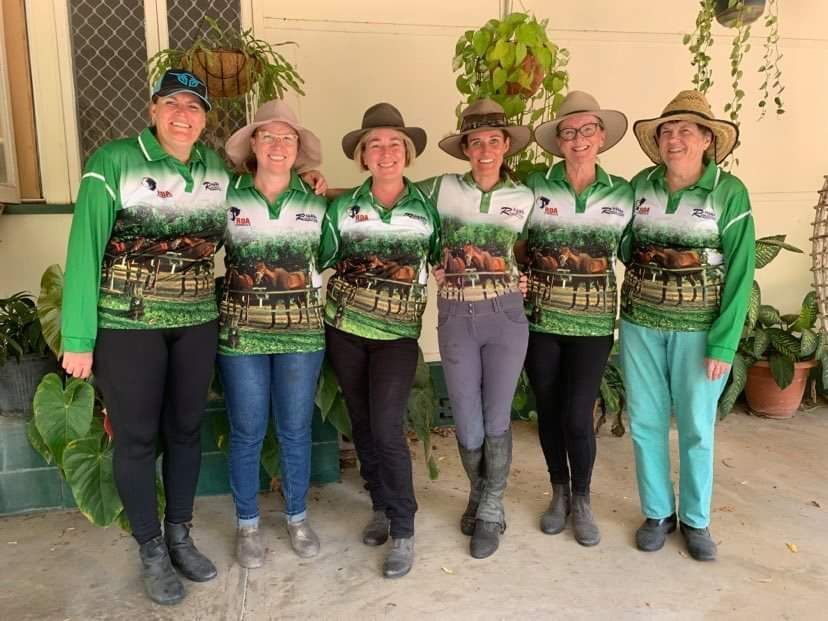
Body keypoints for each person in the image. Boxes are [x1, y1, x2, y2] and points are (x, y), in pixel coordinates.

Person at [61, 70, 229, 605]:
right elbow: (85, 248)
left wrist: (310, 180)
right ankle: (151, 548)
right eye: (172, 103)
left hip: (195, 321)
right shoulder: (114, 161)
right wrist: (77, 337)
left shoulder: (215, 170)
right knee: (135, 438)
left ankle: (179, 533)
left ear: (205, 118)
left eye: (195, 106)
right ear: (153, 109)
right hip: (127, 325)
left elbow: (246, 218)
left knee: (185, 431)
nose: (183, 114)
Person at [619, 90, 755, 561]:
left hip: (700, 332)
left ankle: (696, 520)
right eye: (666, 131)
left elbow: (741, 270)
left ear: (706, 139)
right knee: (645, 421)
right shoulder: (640, 185)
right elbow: (624, 245)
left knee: (697, 426)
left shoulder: (729, 192)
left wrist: (724, 344)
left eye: (684, 131)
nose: (674, 139)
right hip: (639, 324)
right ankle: (658, 512)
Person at [318, 103, 440, 579]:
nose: (385, 152)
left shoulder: (427, 209)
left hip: (396, 336)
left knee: (388, 426)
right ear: (363, 157)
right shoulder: (343, 208)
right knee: (363, 422)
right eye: (375, 145)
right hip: (345, 329)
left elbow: (441, 260)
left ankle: (404, 527)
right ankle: (380, 506)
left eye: (394, 144)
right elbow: (322, 256)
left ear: (406, 153)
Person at [420, 99, 533, 559]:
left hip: (505, 316)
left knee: (496, 416)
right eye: (476, 142)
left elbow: (540, 246)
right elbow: (390, 198)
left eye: (493, 141)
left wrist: (527, 276)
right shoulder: (440, 188)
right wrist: (315, 183)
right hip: (455, 316)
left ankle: (490, 505)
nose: (485, 150)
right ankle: (478, 491)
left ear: (506, 146)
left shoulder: (525, 198)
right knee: (466, 421)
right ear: (465, 149)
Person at [519, 91, 632, 546]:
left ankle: (583, 499)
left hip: (594, 324)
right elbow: (513, 240)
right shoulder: (535, 186)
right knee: (547, 409)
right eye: (569, 132)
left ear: (601, 137)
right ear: (558, 141)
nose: (578, 139)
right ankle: (559, 492)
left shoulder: (623, 192)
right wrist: (515, 273)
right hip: (540, 321)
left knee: (577, 413)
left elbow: (635, 248)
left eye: (587, 130)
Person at [217, 100, 327, 568]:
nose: (278, 145)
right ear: (253, 145)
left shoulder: (317, 200)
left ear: (297, 148)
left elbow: (335, 254)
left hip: (302, 334)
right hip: (240, 335)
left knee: (295, 430)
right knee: (247, 431)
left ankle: (297, 517)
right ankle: (247, 525)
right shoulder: (227, 195)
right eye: (268, 136)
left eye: (287, 137)